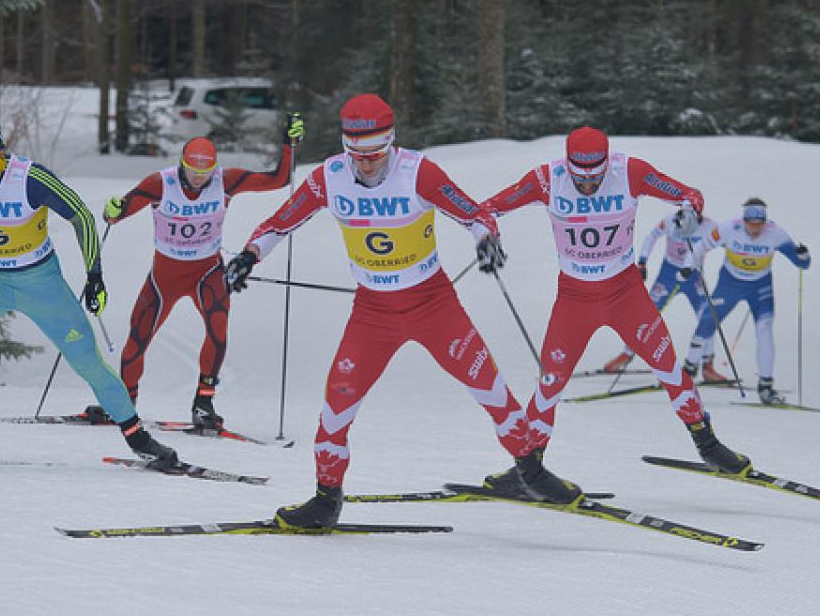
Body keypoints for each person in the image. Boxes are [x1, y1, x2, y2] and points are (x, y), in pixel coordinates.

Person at [223, 94, 582, 530]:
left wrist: (487, 242)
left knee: (490, 389)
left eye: (375, 155)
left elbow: (476, 214)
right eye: (357, 155)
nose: (367, 164)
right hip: (372, 312)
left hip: (433, 304)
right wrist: (248, 256)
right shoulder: (329, 177)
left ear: (391, 144)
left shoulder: (418, 172)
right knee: (337, 404)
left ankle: (531, 472)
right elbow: (279, 222)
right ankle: (325, 500)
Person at [0, 113, 178, 469]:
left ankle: (139, 438)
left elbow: (80, 215)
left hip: (40, 282)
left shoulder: (28, 178)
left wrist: (94, 276)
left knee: (86, 360)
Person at [479, 126, 750, 480]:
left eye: (596, 177)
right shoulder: (547, 179)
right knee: (550, 384)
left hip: (626, 295)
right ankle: (527, 470)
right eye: (581, 178)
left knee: (669, 368)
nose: (589, 186)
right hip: (574, 300)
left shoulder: (630, 171)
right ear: (568, 164)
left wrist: (688, 213)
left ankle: (709, 446)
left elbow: (690, 195)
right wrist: (487, 236)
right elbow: (486, 209)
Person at [102, 113, 305, 429]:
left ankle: (203, 403)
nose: (200, 178)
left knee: (218, 329)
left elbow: (278, 180)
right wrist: (113, 210)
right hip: (165, 276)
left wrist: (288, 144)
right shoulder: (160, 183)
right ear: (182, 163)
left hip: (207, 271)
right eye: (194, 171)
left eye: (206, 172)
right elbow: (117, 214)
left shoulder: (226, 180)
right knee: (138, 337)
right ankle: (125, 403)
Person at [687, 197, 811, 405]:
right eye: (751, 224)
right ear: (744, 220)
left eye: (759, 225)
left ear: (765, 222)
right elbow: (701, 247)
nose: (755, 230)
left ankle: (766, 386)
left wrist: (803, 256)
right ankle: (688, 368)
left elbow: (802, 264)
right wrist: (689, 267)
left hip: (760, 288)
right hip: (730, 285)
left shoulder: (776, 233)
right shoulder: (728, 228)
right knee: (708, 321)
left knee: (764, 330)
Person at [601, 206, 729, 382]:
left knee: (708, 317)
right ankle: (627, 354)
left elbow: (729, 243)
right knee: (647, 314)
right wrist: (642, 262)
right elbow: (652, 236)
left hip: (694, 279)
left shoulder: (710, 226)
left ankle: (707, 366)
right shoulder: (670, 220)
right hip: (668, 277)